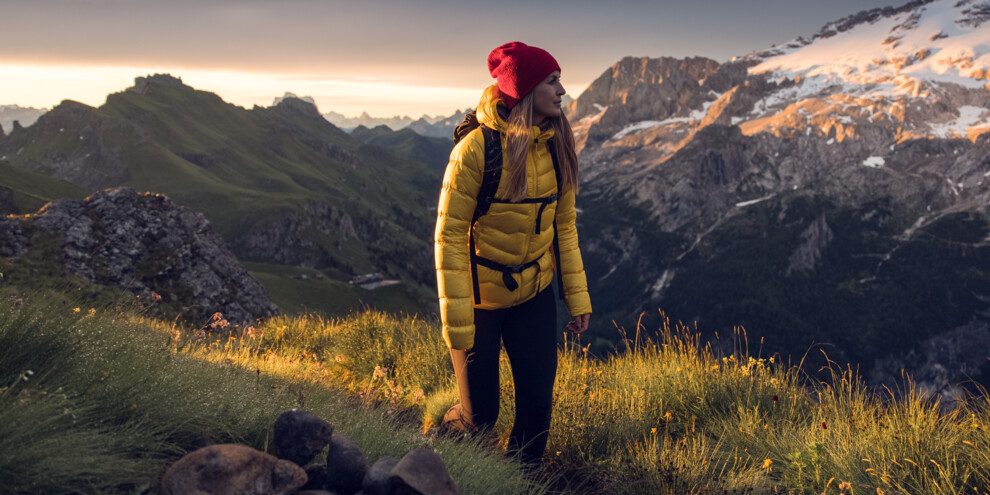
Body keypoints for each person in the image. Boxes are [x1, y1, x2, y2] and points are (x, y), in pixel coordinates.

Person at [434, 41, 592, 466]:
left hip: (534, 294)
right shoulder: (475, 150)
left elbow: (564, 228)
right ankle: (439, 443)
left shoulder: (557, 145)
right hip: (481, 301)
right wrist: (459, 329)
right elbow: (449, 240)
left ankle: (518, 483)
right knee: (480, 418)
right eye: (552, 82)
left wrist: (576, 298)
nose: (562, 91)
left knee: (537, 415)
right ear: (524, 90)